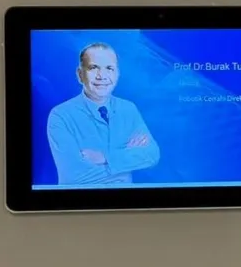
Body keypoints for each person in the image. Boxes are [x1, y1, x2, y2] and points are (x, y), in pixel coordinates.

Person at [46, 42, 160, 186]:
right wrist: (127, 157)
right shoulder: (61, 115)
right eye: (93, 68)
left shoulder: (128, 109)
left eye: (109, 68)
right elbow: (75, 177)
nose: (102, 76)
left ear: (117, 74)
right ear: (80, 74)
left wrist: (104, 157)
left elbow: (152, 155)